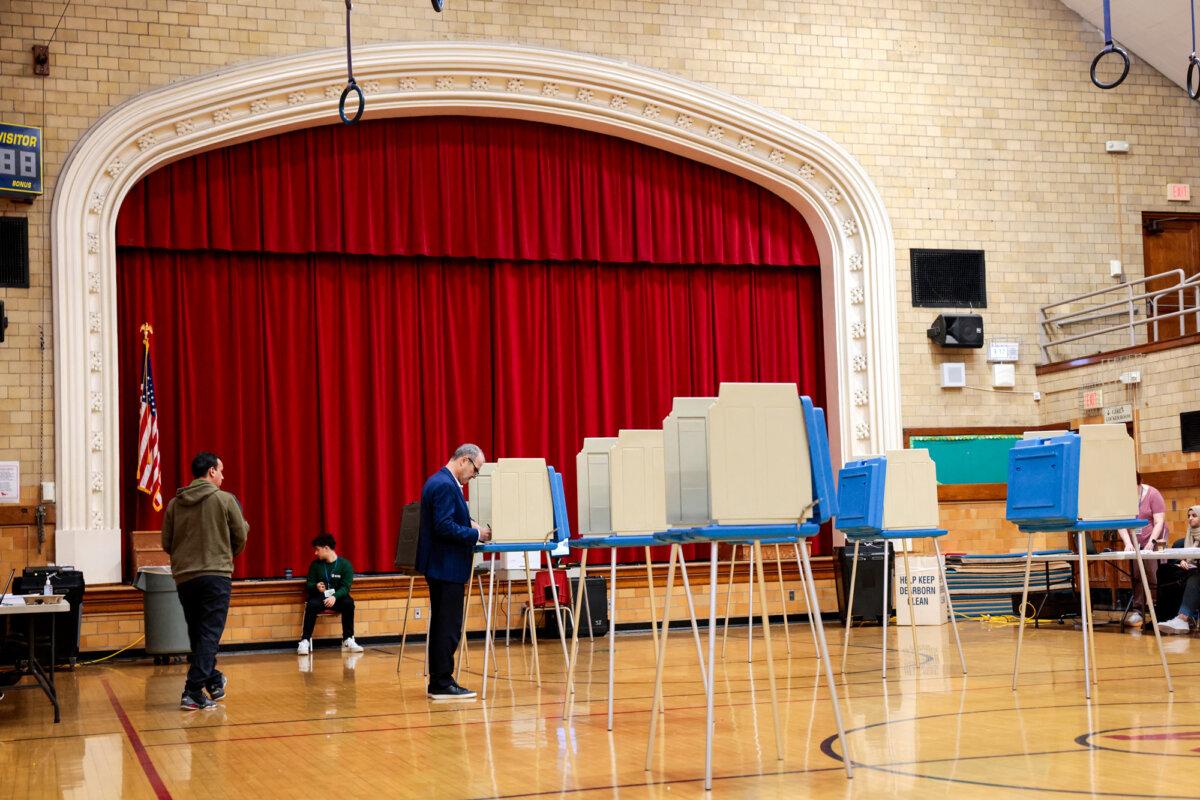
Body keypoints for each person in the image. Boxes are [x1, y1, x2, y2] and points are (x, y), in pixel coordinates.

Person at [162, 451, 249, 710]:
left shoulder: (174, 504)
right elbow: (240, 536)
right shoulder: (225, 499)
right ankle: (192, 691)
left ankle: (212, 681)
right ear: (211, 471)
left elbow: (167, 543)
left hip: (185, 578)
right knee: (210, 634)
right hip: (215, 575)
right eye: (221, 470)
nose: (223, 476)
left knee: (199, 633)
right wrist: (224, 552)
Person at [416, 443, 492, 700]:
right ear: (464, 461)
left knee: (442, 626)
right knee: (447, 627)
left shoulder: (440, 481)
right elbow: (444, 527)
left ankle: (440, 680)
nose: (474, 476)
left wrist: (468, 522)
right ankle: (442, 682)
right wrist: (476, 533)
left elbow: (446, 521)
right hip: (445, 566)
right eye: (475, 470)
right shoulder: (446, 485)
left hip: (441, 566)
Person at [297, 533, 363, 655]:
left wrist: (335, 596)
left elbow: (345, 587)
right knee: (311, 604)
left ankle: (348, 639)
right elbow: (309, 584)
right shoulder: (315, 565)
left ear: (326, 548)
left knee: (349, 603)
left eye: (317, 549)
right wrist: (316, 587)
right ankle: (305, 640)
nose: (315, 553)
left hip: (338, 597)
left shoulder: (345, 565)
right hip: (321, 597)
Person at [1119, 479, 1168, 628]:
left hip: (1155, 538)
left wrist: (1151, 542)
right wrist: (1128, 543)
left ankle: (1158, 609)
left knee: (1153, 573)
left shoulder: (1153, 494)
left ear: (1139, 482)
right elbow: (1120, 522)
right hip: (1136, 541)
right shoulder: (1123, 497)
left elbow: (1159, 521)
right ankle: (1138, 610)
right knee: (1137, 574)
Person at [1156, 505, 1200, 635]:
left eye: (1194, 515)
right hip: (1189, 574)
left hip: (1196, 576)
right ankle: (1165, 617)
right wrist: (1181, 561)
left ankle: (1182, 619)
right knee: (1164, 570)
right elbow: (1175, 558)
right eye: (1188, 516)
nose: (1190, 518)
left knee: (1195, 578)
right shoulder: (1183, 541)